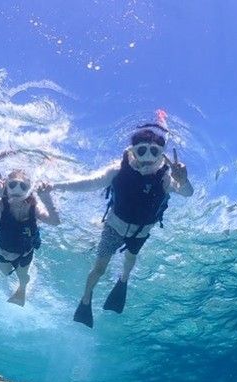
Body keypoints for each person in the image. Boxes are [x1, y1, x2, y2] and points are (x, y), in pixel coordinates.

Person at [49, 125, 193, 327]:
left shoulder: (166, 179)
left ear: (162, 155)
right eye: (142, 150)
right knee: (99, 269)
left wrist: (183, 180)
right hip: (113, 228)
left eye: (155, 152)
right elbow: (90, 182)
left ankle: (123, 280)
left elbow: (187, 193)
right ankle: (86, 298)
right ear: (133, 151)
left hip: (141, 232)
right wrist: (56, 185)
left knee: (129, 261)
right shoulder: (118, 170)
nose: (148, 157)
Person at [0, 169, 59, 306]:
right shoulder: (0, 204)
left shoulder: (34, 207)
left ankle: (22, 289)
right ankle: (13, 279)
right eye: (13, 185)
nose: (17, 189)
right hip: (1, 251)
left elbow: (55, 222)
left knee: (23, 277)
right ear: (6, 187)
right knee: (5, 273)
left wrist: (47, 199)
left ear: (29, 190)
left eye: (23, 186)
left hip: (25, 252)